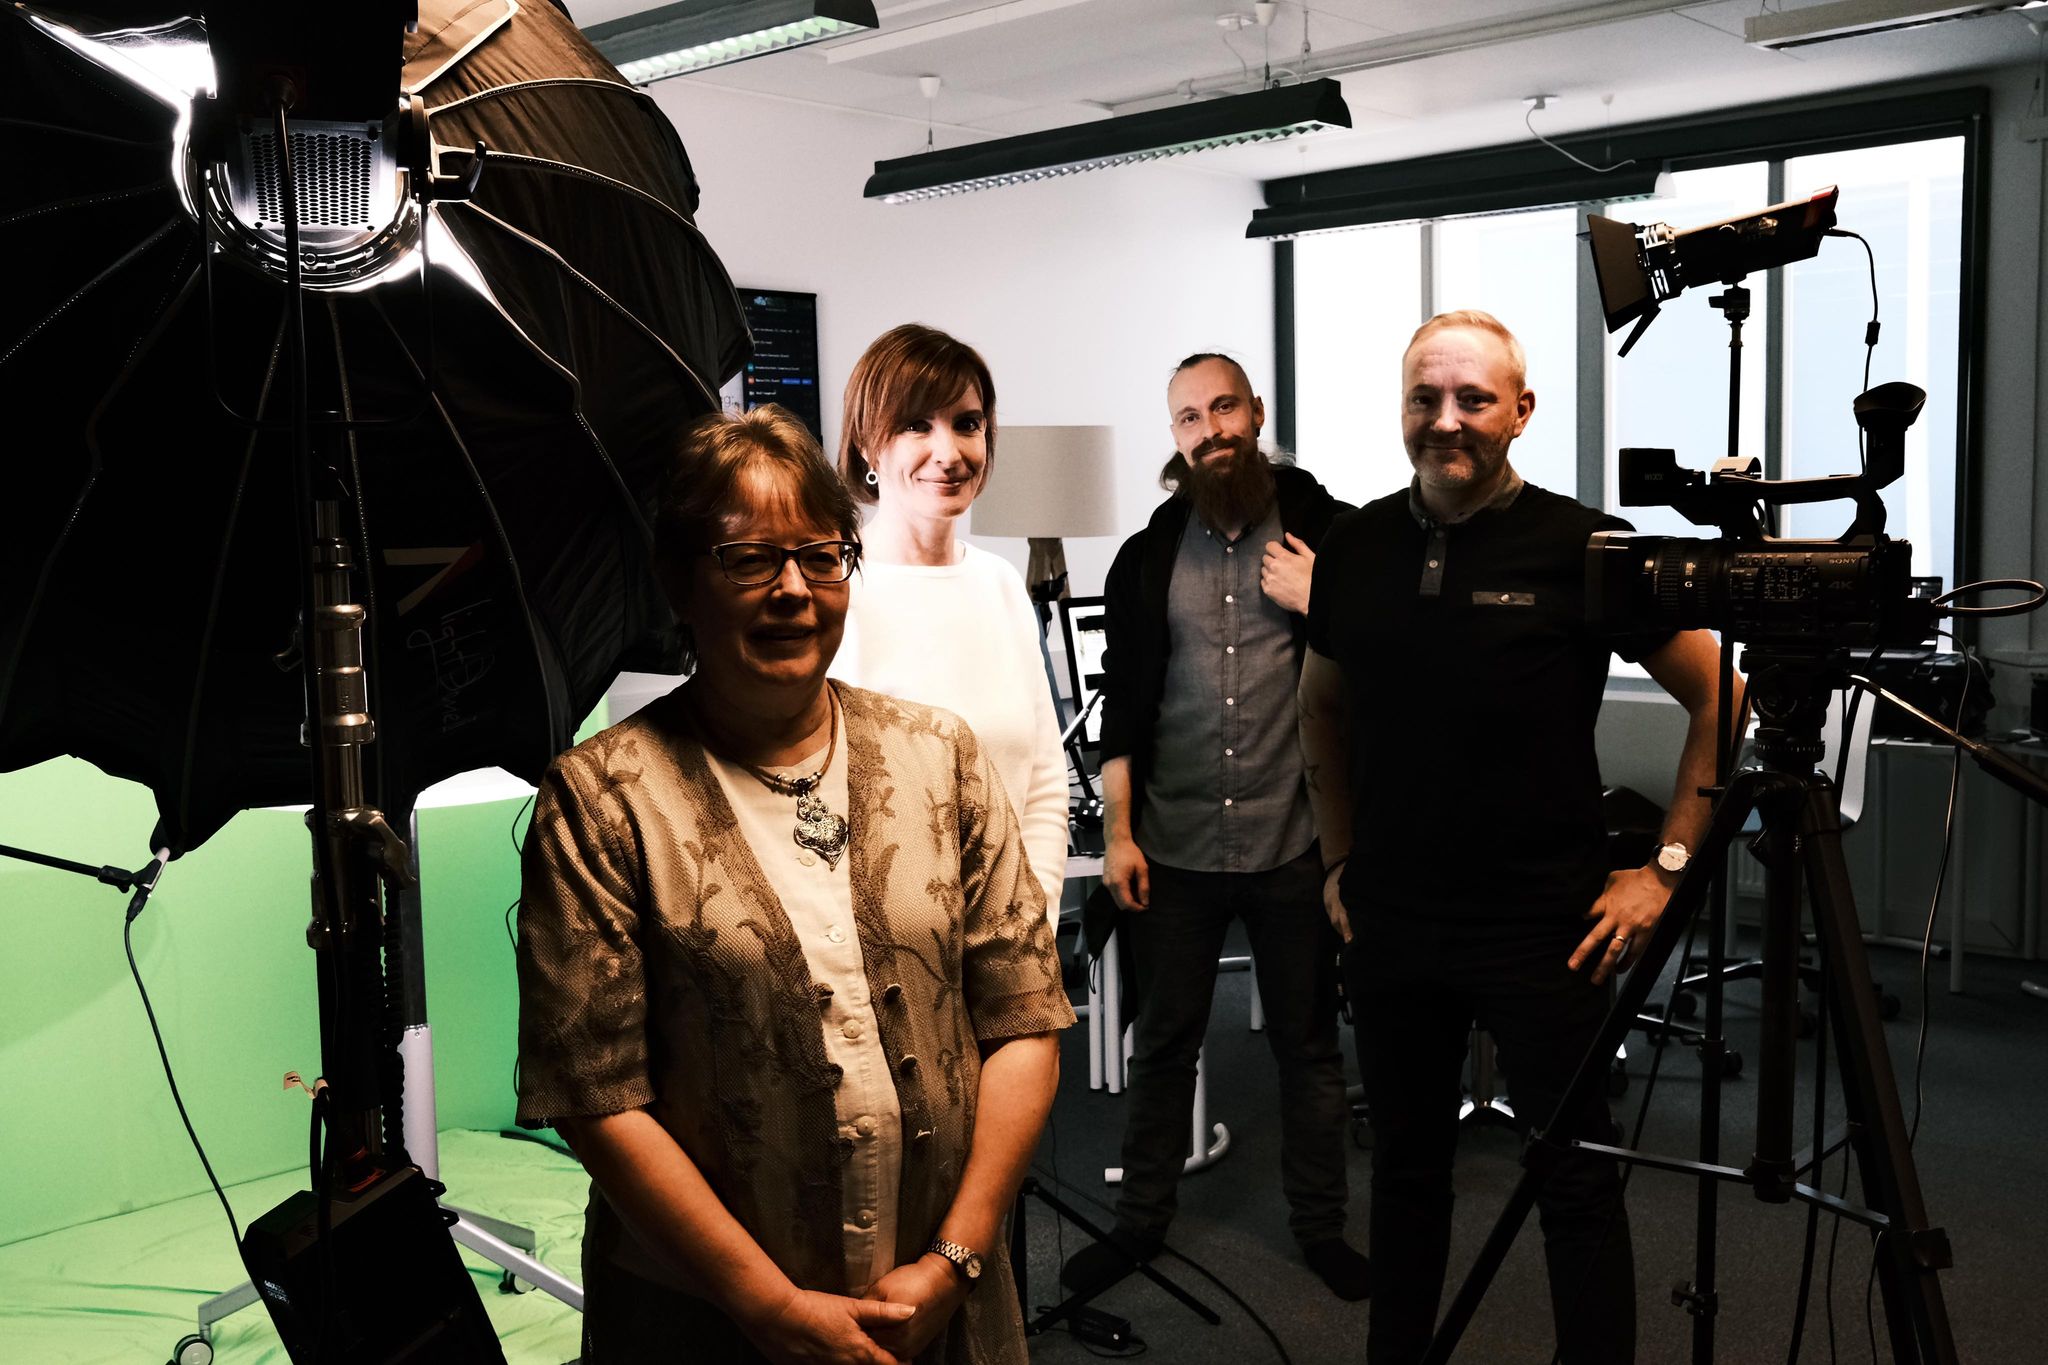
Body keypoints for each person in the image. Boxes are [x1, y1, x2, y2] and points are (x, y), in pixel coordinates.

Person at [515, 405, 1074, 1365]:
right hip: (710, 1322)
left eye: (821, 556)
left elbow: (1024, 1016)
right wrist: (766, 1305)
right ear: (679, 583)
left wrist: (956, 1255)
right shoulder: (602, 798)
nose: (792, 590)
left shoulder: (938, 757)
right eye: (747, 561)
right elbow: (594, 1093)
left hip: (936, 1298)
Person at [1297, 310, 1730, 1364]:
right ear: (1401, 408)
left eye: (1472, 399)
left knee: (1572, 1178)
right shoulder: (1353, 546)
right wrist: (1338, 859)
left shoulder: (1587, 546)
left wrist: (1663, 871)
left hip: (1546, 926)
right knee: (1403, 1173)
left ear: (1520, 412)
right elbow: (1320, 707)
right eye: (1423, 398)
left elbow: (1722, 697)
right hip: (1395, 919)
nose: (1445, 421)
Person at [1063, 352, 1370, 1302]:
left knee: (1308, 1049)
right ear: (1177, 437)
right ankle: (1140, 1224)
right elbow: (1124, 713)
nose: (1210, 428)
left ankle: (1320, 1231)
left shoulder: (1335, 535)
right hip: (1176, 851)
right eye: (1189, 417)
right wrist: (1117, 833)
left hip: (1295, 849)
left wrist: (1331, 600)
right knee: (1161, 1044)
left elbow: (1395, 665)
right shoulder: (1147, 555)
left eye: (1224, 406)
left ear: (1256, 411)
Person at [832, 323, 1067, 928]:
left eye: (967, 423)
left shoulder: (1000, 584)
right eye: (917, 425)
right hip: (882, 953)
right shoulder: (832, 589)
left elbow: (1043, 777)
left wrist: (1034, 922)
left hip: (1010, 943)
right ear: (867, 444)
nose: (950, 451)